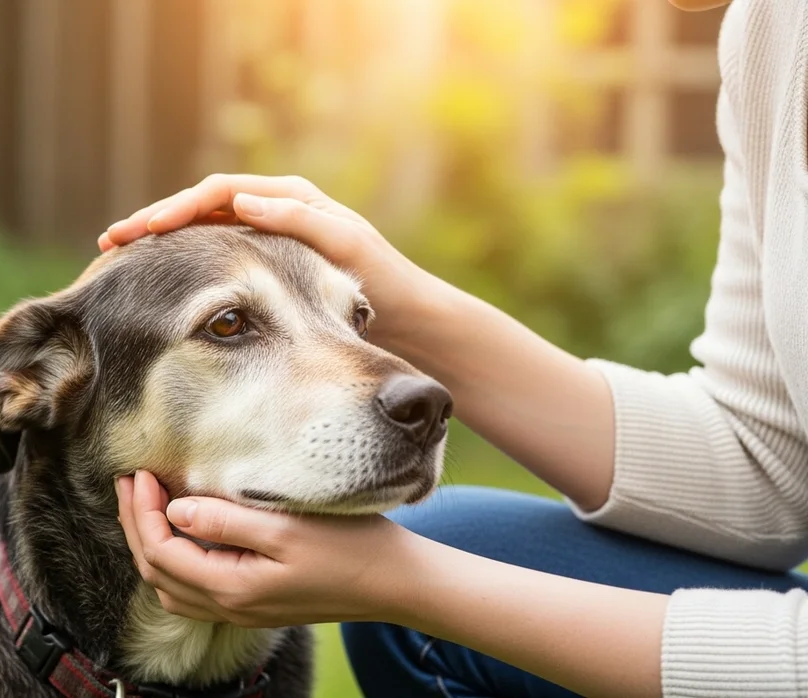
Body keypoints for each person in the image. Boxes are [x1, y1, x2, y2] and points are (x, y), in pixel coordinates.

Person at [98, 0, 808, 696]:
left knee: (436, 583)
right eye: (229, 327)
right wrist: (404, 304)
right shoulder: (770, 26)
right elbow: (767, 466)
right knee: (454, 537)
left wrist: (408, 585)